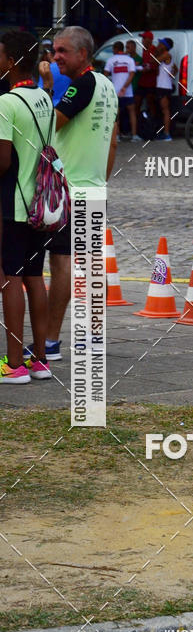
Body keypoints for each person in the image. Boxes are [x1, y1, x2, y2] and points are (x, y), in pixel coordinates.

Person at [31, 25, 118, 360]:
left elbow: (52, 125)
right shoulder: (107, 87)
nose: (55, 57)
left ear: (84, 53)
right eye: (54, 50)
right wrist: (102, 180)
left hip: (71, 189)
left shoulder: (83, 84)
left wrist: (48, 89)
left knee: (63, 263)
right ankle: (94, 336)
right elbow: (112, 141)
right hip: (94, 188)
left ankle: (50, 341)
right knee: (94, 265)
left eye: (63, 51)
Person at [0, 30, 53, 382]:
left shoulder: (7, 102)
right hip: (41, 204)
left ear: (14, 60)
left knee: (8, 280)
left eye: (1, 55)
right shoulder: (44, 98)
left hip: (13, 204)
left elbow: (3, 161)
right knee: (35, 279)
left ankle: (14, 364)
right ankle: (40, 359)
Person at [104, 41, 141, 142]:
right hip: (128, 91)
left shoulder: (111, 60)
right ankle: (134, 135)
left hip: (115, 92)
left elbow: (105, 75)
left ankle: (117, 136)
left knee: (116, 114)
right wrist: (125, 87)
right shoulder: (130, 60)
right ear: (123, 48)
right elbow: (132, 74)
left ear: (115, 49)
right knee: (132, 112)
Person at [154, 37, 177, 142]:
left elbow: (153, 61)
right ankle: (164, 133)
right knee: (163, 111)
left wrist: (155, 51)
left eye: (160, 44)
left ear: (165, 46)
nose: (158, 45)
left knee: (165, 110)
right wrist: (172, 74)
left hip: (164, 87)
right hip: (162, 86)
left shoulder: (166, 55)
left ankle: (167, 134)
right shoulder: (166, 56)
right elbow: (176, 68)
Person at [37, 38, 71, 106]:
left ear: (49, 55)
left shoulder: (46, 69)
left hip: (50, 105)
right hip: (67, 105)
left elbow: (40, 90)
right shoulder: (70, 68)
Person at [134, 30, 158, 122]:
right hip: (142, 82)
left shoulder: (154, 50)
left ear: (150, 39)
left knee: (151, 104)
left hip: (150, 83)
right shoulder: (144, 50)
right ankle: (139, 125)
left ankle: (153, 125)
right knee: (137, 103)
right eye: (142, 38)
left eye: (144, 38)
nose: (142, 40)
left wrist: (137, 68)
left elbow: (152, 66)